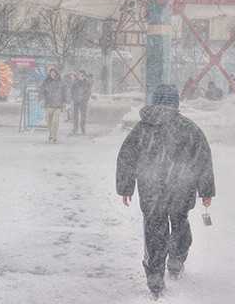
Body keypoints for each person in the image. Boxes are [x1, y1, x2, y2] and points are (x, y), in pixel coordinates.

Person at [116, 84, 215, 298]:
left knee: (154, 230)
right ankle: (177, 258)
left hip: (151, 189)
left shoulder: (142, 129)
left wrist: (126, 187)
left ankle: (155, 276)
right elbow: (203, 160)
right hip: (182, 188)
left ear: (154, 101)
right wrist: (205, 191)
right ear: (176, 103)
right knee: (180, 222)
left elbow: (126, 157)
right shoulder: (189, 128)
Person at [39, 68, 66, 143]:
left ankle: (54, 137)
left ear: (57, 74)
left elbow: (65, 92)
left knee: (55, 122)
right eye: (51, 73)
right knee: (49, 122)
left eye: (54, 73)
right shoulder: (46, 82)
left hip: (58, 105)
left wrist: (66, 102)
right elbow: (41, 91)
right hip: (48, 105)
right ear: (49, 74)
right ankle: (51, 134)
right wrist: (42, 99)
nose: (53, 74)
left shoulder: (61, 82)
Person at [71, 70, 92, 135]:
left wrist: (85, 99)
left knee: (83, 115)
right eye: (79, 75)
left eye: (82, 75)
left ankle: (83, 128)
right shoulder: (75, 82)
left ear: (84, 75)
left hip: (83, 102)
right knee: (75, 116)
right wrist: (74, 98)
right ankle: (75, 129)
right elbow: (72, 91)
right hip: (76, 101)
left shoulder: (87, 82)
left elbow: (89, 92)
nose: (80, 76)